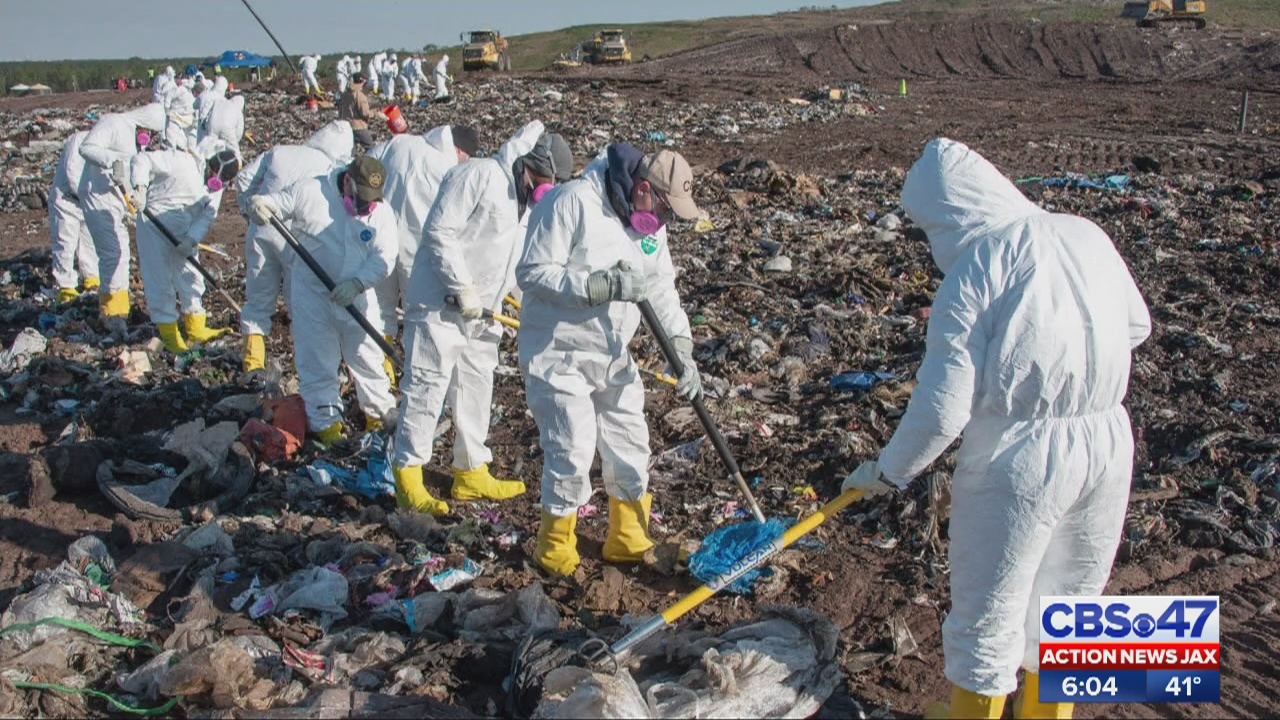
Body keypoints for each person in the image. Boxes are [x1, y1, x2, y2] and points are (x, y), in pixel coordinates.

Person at [838, 138, 1151, 720]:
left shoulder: (979, 268)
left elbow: (943, 408)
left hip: (1019, 454)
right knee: (1074, 598)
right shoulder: (1086, 232)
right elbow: (1137, 325)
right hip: (1108, 439)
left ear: (947, 215)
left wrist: (888, 471)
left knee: (990, 606)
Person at [517, 144, 704, 576]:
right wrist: (596, 287)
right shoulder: (573, 203)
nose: (665, 221)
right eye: (665, 208)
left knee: (630, 439)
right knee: (572, 446)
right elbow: (531, 272)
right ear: (643, 189)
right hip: (559, 351)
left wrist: (682, 347)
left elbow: (660, 288)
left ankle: (628, 535)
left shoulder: (651, 226)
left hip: (612, 350)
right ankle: (555, 543)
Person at [390, 121, 570, 516]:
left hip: (482, 312)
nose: (546, 189)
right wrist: (461, 286)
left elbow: (517, 262)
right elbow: (440, 232)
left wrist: (536, 305)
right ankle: (408, 476)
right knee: (426, 385)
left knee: (476, 384)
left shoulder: (526, 207)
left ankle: (470, 471)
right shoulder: (481, 175)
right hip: (440, 303)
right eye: (544, 179)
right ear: (528, 166)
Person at [246, 156, 399, 444]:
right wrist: (261, 207)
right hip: (314, 297)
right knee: (317, 360)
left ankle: (378, 415)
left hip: (357, 297)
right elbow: (276, 203)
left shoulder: (382, 213)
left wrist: (357, 283)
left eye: (371, 201)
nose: (366, 207)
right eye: (361, 198)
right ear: (347, 181)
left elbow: (385, 257)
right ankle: (327, 426)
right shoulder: (310, 192)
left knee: (368, 357)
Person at [235, 120, 355, 373]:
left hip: (263, 229)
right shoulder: (331, 167)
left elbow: (244, 179)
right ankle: (303, 363)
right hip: (298, 241)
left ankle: (253, 363)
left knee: (258, 299)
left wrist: (250, 211)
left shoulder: (280, 152)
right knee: (299, 303)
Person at [365, 123, 477, 374]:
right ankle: (416, 374)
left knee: (382, 311)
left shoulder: (400, 143)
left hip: (379, 241)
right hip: (415, 252)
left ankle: (384, 373)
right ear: (459, 150)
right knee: (418, 315)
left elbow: (366, 164)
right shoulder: (448, 169)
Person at [129, 137, 239, 353]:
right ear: (209, 162)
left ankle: (196, 327)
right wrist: (140, 188)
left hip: (184, 233)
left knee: (191, 277)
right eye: (212, 173)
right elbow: (142, 160)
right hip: (154, 225)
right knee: (159, 280)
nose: (213, 181)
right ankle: (171, 337)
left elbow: (207, 215)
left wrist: (191, 240)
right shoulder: (181, 161)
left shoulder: (215, 188)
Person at [78, 103, 166, 331]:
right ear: (142, 125)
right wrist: (112, 161)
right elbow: (87, 148)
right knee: (113, 253)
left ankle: (117, 307)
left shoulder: (133, 138)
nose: (149, 139)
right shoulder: (113, 122)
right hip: (98, 198)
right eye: (150, 133)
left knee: (121, 252)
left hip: (115, 199)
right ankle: (112, 312)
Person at [49, 130, 99, 303]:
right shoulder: (79, 140)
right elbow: (72, 173)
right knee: (65, 242)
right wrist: (88, 196)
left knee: (89, 241)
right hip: (67, 200)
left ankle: (91, 278)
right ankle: (66, 286)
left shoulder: (104, 145)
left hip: (87, 201)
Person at [337, 73, 387, 153]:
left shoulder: (345, 94)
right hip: (358, 127)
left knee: (351, 150)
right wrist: (376, 114)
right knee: (372, 148)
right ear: (362, 83)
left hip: (346, 126)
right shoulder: (359, 95)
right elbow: (365, 113)